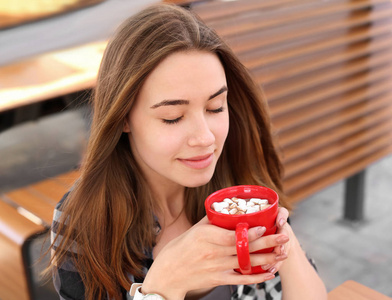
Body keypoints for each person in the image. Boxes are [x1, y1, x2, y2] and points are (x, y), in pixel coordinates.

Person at [50, 3, 327, 300]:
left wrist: (285, 239)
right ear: (124, 118)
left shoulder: (238, 179)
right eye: (173, 117)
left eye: (215, 107)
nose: (206, 138)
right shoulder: (86, 223)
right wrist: (163, 284)